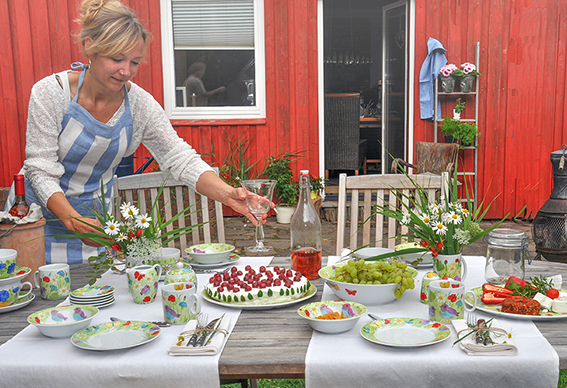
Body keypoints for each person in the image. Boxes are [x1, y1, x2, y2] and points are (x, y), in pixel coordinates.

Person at [6, 0, 268, 264]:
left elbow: (179, 158)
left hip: (96, 225)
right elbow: (39, 168)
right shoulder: (51, 93)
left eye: (134, 62)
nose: (126, 71)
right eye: (116, 58)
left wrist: (228, 195)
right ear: (89, 46)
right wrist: (71, 219)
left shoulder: (140, 105)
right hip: (32, 221)